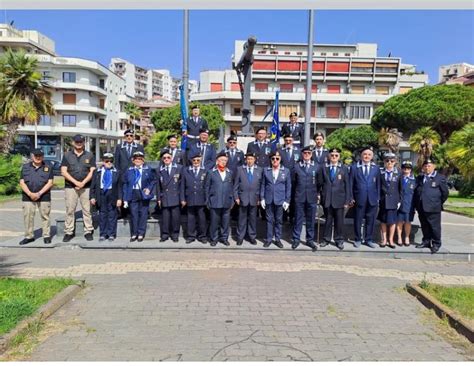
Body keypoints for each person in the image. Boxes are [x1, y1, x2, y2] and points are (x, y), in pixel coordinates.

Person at [61, 134, 96, 242]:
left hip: (86, 187)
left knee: (87, 210)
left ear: (83, 143)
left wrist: (83, 182)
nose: (79, 143)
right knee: (70, 210)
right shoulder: (67, 155)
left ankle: (88, 231)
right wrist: (76, 182)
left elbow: (92, 171)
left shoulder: (89, 155)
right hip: (70, 187)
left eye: (81, 142)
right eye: (77, 142)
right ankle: (69, 232)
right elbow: (63, 171)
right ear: (73, 143)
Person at [318, 148, 351, 250]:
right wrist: (319, 194)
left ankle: (339, 240)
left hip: (339, 199)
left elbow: (347, 186)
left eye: (336, 155)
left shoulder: (344, 168)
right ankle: (326, 239)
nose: (334, 157)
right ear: (329, 156)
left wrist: (347, 201)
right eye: (332, 155)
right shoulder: (324, 168)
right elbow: (320, 183)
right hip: (327, 198)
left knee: (339, 221)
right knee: (328, 220)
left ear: (339, 157)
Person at [19, 148, 54, 245]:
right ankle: (29, 236)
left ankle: (46, 235)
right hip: (27, 196)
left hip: (44, 195)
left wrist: (39, 193)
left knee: (45, 216)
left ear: (43, 157)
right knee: (28, 217)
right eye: (36, 156)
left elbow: (50, 182)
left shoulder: (48, 167)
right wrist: (30, 194)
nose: (38, 158)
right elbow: (22, 182)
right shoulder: (25, 167)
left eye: (40, 156)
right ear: (32, 156)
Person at [414, 158, 449, 254]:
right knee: (424, 225)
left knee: (434, 227)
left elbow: (445, 193)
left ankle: (436, 243)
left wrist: (437, 202)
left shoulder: (440, 178)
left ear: (434, 166)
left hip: (433, 207)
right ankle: (426, 241)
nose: (427, 168)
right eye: (425, 166)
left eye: (429, 166)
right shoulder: (420, 177)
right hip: (421, 207)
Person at [350, 146, 381, 248]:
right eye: (365, 154)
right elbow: (351, 183)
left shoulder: (376, 168)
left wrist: (378, 198)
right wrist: (351, 197)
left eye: (369, 155)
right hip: (359, 198)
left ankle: (368, 239)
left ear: (372, 156)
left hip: (372, 198)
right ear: (361, 155)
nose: (367, 156)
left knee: (370, 220)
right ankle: (358, 239)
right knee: (358, 219)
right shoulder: (354, 167)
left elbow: (378, 184)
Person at [122, 151, 156, 242]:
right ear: (133, 160)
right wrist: (125, 198)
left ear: (143, 160)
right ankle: (134, 233)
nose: (138, 160)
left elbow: (153, 181)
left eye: (140, 159)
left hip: (143, 194)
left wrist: (149, 188)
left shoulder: (147, 169)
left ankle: (141, 233)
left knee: (143, 214)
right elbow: (125, 184)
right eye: (136, 159)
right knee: (133, 214)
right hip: (133, 193)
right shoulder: (129, 170)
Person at [260, 151, 291, 248]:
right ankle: (269, 239)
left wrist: (287, 200)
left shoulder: (286, 171)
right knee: (269, 220)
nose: (275, 160)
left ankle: (278, 239)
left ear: (280, 159)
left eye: (277, 158)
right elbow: (263, 185)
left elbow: (288, 187)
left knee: (278, 220)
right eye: (273, 158)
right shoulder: (266, 170)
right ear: (270, 159)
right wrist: (262, 198)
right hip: (269, 199)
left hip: (280, 200)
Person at [291, 146, 319, 251]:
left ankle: (310, 239)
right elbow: (293, 182)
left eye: (309, 153)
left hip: (312, 196)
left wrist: (318, 193)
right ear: (302, 154)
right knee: (298, 218)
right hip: (299, 196)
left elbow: (319, 182)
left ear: (312, 154)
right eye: (305, 153)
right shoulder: (297, 166)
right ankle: (296, 239)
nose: (307, 154)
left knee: (311, 219)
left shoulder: (316, 166)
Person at [90, 153, 122, 241]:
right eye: (106, 161)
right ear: (103, 161)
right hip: (101, 194)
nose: (109, 163)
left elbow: (120, 187)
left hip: (112, 194)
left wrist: (119, 198)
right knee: (102, 214)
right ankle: (103, 234)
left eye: (111, 161)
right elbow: (93, 186)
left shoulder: (117, 172)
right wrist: (92, 197)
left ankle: (111, 234)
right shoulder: (97, 172)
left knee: (112, 215)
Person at [233, 152, 263, 246]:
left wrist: (260, 198)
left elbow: (261, 185)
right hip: (243, 198)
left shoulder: (259, 170)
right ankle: (240, 237)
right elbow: (236, 185)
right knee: (242, 219)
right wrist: (236, 197)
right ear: (246, 160)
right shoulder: (240, 169)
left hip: (255, 198)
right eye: (248, 159)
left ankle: (252, 237)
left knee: (253, 219)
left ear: (255, 160)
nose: (249, 161)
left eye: (251, 159)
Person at [205, 152, 234, 246]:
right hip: (214, 201)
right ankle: (214, 238)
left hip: (227, 201)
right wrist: (207, 200)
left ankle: (224, 238)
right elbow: (207, 187)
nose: (223, 162)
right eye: (222, 160)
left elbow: (232, 187)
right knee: (214, 222)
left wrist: (232, 200)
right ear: (217, 161)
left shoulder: (230, 172)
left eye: (225, 161)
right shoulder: (211, 172)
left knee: (225, 222)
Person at [114, 129, 144, 218]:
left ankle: (132, 212)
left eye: (131, 135)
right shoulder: (119, 147)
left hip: (134, 174)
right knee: (123, 192)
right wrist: (118, 174)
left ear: (133, 137)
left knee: (133, 192)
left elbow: (142, 161)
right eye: (127, 136)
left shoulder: (139, 147)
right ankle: (123, 213)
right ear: (125, 137)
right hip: (122, 174)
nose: (129, 137)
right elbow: (117, 161)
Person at [156, 149, 183, 243]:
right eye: (164, 158)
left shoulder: (179, 168)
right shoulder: (159, 169)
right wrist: (158, 198)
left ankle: (175, 235)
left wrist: (182, 198)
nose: (166, 159)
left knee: (175, 218)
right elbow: (158, 185)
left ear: (172, 158)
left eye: (168, 157)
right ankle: (165, 234)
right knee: (165, 218)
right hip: (165, 196)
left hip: (176, 196)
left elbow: (182, 184)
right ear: (162, 160)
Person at [181, 153, 208, 244]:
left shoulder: (205, 171)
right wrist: (183, 198)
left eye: (198, 160)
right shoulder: (186, 170)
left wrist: (207, 199)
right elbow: (182, 186)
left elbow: (207, 186)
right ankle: (190, 236)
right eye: (194, 160)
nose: (196, 162)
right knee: (190, 218)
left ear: (200, 161)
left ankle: (202, 236)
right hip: (190, 198)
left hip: (201, 198)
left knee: (202, 218)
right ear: (191, 161)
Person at [378, 152, 401, 248]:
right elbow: (377, 187)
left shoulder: (398, 173)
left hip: (393, 201)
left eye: (392, 161)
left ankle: (391, 240)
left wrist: (399, 201)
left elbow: (401, 189)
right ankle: (384, 239)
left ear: (395, 162)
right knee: (383, 221)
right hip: (383, 201)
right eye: (387, 160)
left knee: (392, 221)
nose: (389, 162)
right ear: (384, 161)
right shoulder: (380, 172)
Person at [396, 161, 416, 246]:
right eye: (404, 168)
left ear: (411, 169)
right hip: (400, 204)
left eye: (408, 168)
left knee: (408, 222)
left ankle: (407, 237)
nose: (406, 170)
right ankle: (399, 237)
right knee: (399, 221)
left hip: (410, 204)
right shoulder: (398, 178)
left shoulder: (415, 180)